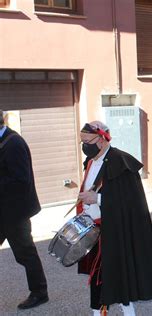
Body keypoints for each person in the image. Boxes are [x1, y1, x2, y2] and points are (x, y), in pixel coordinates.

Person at [77, 121, 152, 315]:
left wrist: (98, 198)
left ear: (101, 140)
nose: (84, 145)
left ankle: (127, 312)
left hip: (115, 230)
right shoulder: (92, 161)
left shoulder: (121, 162)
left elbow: (131, 201)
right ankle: (101, 312)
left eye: (87, 141)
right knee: (99, 276)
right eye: (81, 141)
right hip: (94, 228)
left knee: (114, 275)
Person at [0, 109, 48, 310]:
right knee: (25, 253)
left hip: (15, 212)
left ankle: (40, 292)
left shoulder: (14, 143)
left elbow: (21, 180)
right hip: (3, 209)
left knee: (25, 253)